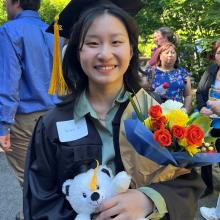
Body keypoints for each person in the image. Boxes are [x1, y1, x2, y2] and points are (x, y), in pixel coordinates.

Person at [24, 1, 204, 219]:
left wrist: (149, 199)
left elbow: (188, 183)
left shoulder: (156, 113)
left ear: (131, 50)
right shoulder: (52, 125)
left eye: (116, 41)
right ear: (76, 52)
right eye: (92, 43)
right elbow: (39, 203)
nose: (105, 54)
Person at [0, 0, 60, 219]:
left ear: (15, 2)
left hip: (23, 118)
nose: (5, 6)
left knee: (29, 177)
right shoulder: (52, 33)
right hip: (54, 114)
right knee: (49, 172)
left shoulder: (9, 31)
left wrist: (3, 126)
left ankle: (34, 214)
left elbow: (9, 82)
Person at [196, 39, 220, 198]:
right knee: (205, 156)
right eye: (219, 52)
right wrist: (202, 107)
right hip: (208, 123)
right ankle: (207, 186)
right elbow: (199, 92)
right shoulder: (210, 70)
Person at [144, 42, 192, 113]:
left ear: (176, 56)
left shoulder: (182, 72)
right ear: (160, 56)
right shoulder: (151, 71)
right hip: (156, 114)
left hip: (177, 113)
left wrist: (186, 110)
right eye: (167, 53)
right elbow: (144, 93)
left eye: (173, 52)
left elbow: (188, 95)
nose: (170, 55)